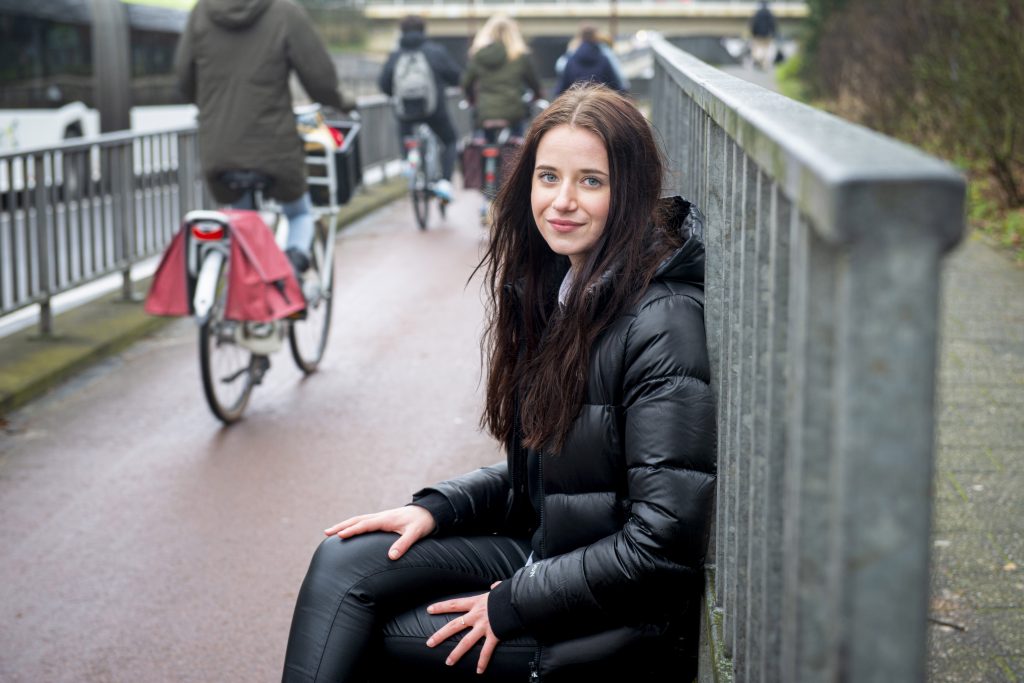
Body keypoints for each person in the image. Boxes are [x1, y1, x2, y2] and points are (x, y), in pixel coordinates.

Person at [281, 83, 716, 683]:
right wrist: (437, 510)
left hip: (616, 623)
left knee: (380, 637)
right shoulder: (571, 290)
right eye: (548, 177)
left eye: (591, 181)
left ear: (632, 191)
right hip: (554, 554)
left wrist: (508, 604)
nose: (562, 201)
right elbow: (555, 474)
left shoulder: (660, 321)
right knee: (344, 562)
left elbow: (661, 546)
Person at [174, 0, 353, 282]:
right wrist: (342, 102)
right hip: (274, 146)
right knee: (299, 213)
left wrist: (214, 107)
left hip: (219, 147)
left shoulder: (202, 12)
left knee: (242, 219)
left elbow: (184, 81)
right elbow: (318, 77)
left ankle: (246, 292)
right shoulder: (284, 11)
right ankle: (290, 274)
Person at [378, 15, 462, 202]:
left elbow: (383, 84)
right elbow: (456, 77)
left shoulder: (396, 55)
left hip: (406, 112)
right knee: (450, 140)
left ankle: (409, 160)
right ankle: (444, 182)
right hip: (434, 111)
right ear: (424, 31)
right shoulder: (435, 52)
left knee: (405, 131)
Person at [461, 13, 544, 141]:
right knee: (517, 143)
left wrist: (472, 99)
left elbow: (466, 83)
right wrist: (537, 94)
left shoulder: (478, 55)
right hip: (513, 111)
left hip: (485, 112)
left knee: (482, 142)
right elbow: (533, 82)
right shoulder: (519, 56)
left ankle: (484, 157)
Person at [554, 26, 626, 97]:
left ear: (581, 37)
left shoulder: (571, 59)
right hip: (600, 104)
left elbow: (561, 89)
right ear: (596, 37)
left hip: (575, 104)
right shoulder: (604, 59)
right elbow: (616, 85)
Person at [749, 0, 778, 70]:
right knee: (766, 50)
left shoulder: (757, 14)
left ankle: (759, 60)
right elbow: (773, 25)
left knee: (758, 49)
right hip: (767, 35)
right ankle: (764, 64)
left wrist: (753, 34)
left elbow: (753, 25)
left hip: (758, 35)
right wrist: (773, 33)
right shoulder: (770, 14)